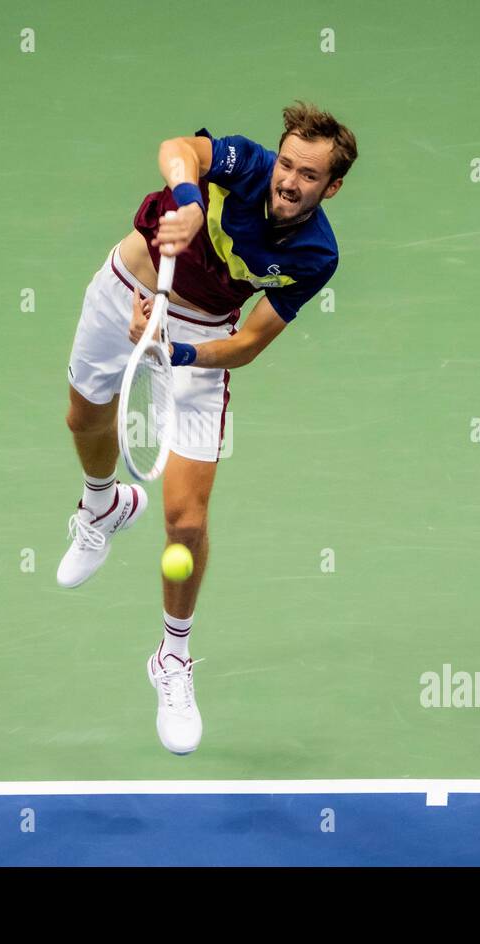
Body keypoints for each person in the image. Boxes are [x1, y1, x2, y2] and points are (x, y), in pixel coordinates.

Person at [59, 101, 358, 754]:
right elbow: (177, 146)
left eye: (309, 175)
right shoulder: (244, 164)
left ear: (332, 187)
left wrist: (174, 352)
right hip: (123, 291)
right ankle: (103, 505)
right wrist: (191, 199)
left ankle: (172, 658)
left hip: (198, 338)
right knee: (84, 417)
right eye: (287, 164)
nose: (289, 181)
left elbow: (250, 343)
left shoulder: (316, 255)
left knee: (186, 522)